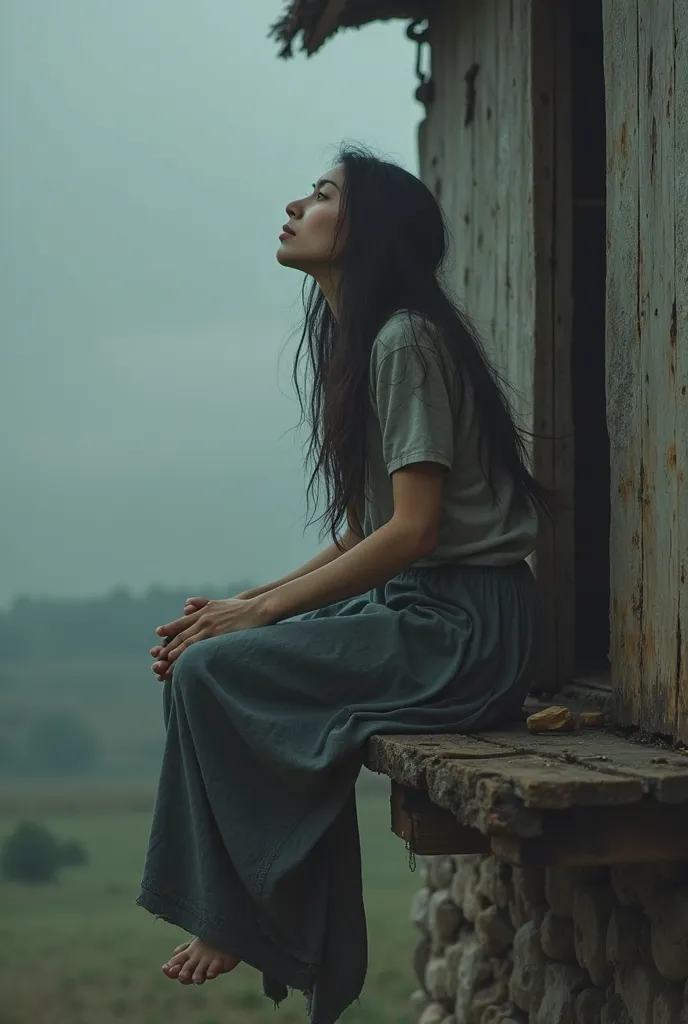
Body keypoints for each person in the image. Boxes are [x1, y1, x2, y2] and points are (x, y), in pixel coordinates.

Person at [138, 145, 550, 1024]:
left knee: (217, 673)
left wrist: (253, 615)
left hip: (466, 630)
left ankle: (245, 917)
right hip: (428, 612)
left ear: (368, 232)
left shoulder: (404, 340)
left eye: (322, 194)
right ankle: (253, 914)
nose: (296, 204)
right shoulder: (364, 342)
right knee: (207, 661)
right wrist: (238, 608)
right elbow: (363, 534)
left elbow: (416, 530)